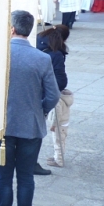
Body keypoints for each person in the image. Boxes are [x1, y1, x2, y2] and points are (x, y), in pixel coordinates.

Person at [0, 10, 60, 206]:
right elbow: (53, 95)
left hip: (3, 126)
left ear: (12, 28)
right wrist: (40, 110)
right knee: (26, 177)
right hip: (30, 126)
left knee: (4, 175)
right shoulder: (42, 58)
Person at [36, 26, 73, 168]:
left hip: (31, 91)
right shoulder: (56, 54)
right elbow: (60, 81)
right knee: (59, 126)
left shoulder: (37, 42)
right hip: (48, 94)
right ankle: (58, 158)